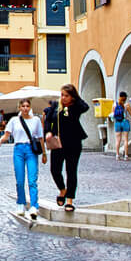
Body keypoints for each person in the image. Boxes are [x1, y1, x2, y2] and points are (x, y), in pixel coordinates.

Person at [0, 99, 46, 220]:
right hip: (18, 149)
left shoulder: (36, 120)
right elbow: (7, 135)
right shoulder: (14, 121)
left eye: (27, 106)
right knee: (19, 180)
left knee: (32, 179)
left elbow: (40, 138)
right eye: (23, 106)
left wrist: (44, 153)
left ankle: (34, 206)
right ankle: (21, 203)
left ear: (30, 107)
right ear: (19, 108)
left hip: (31, 150)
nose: (25, 108)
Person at [45, 83, 90, 213]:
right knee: (55, 170)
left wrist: (76, 99)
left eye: (66, 95)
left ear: (72, 97)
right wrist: (48, 132)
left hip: (73, 142)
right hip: (58, 142)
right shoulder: (55, 106)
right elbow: (48, 120)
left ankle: (69, 199)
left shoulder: (76, 107)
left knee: (71, 171)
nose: (63, 98)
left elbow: (85, 107)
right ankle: (62, 190)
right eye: (62, 95)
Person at [112, 92, 131, 161]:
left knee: (118, 140)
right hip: (125, 122)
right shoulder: (127, 105)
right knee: (125, 140)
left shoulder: (114, 104)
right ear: (125, 97)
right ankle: (126, 156)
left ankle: (117, 155)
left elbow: (113, 114)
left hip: (117, 122)